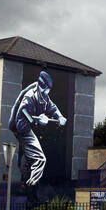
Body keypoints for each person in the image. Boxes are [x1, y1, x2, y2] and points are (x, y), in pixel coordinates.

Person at [8, 71, 67, 203]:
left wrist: (59, 116)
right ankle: (32, 187)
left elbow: (51, 106)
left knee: (30, 156)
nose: (48, 93)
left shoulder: (41, 93)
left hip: (27, 126)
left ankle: (25, 184)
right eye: (47, 90)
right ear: (44, 87)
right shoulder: (29, 97)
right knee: (40, 159)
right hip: (21, 128)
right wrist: (37, 120)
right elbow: (22, 118)